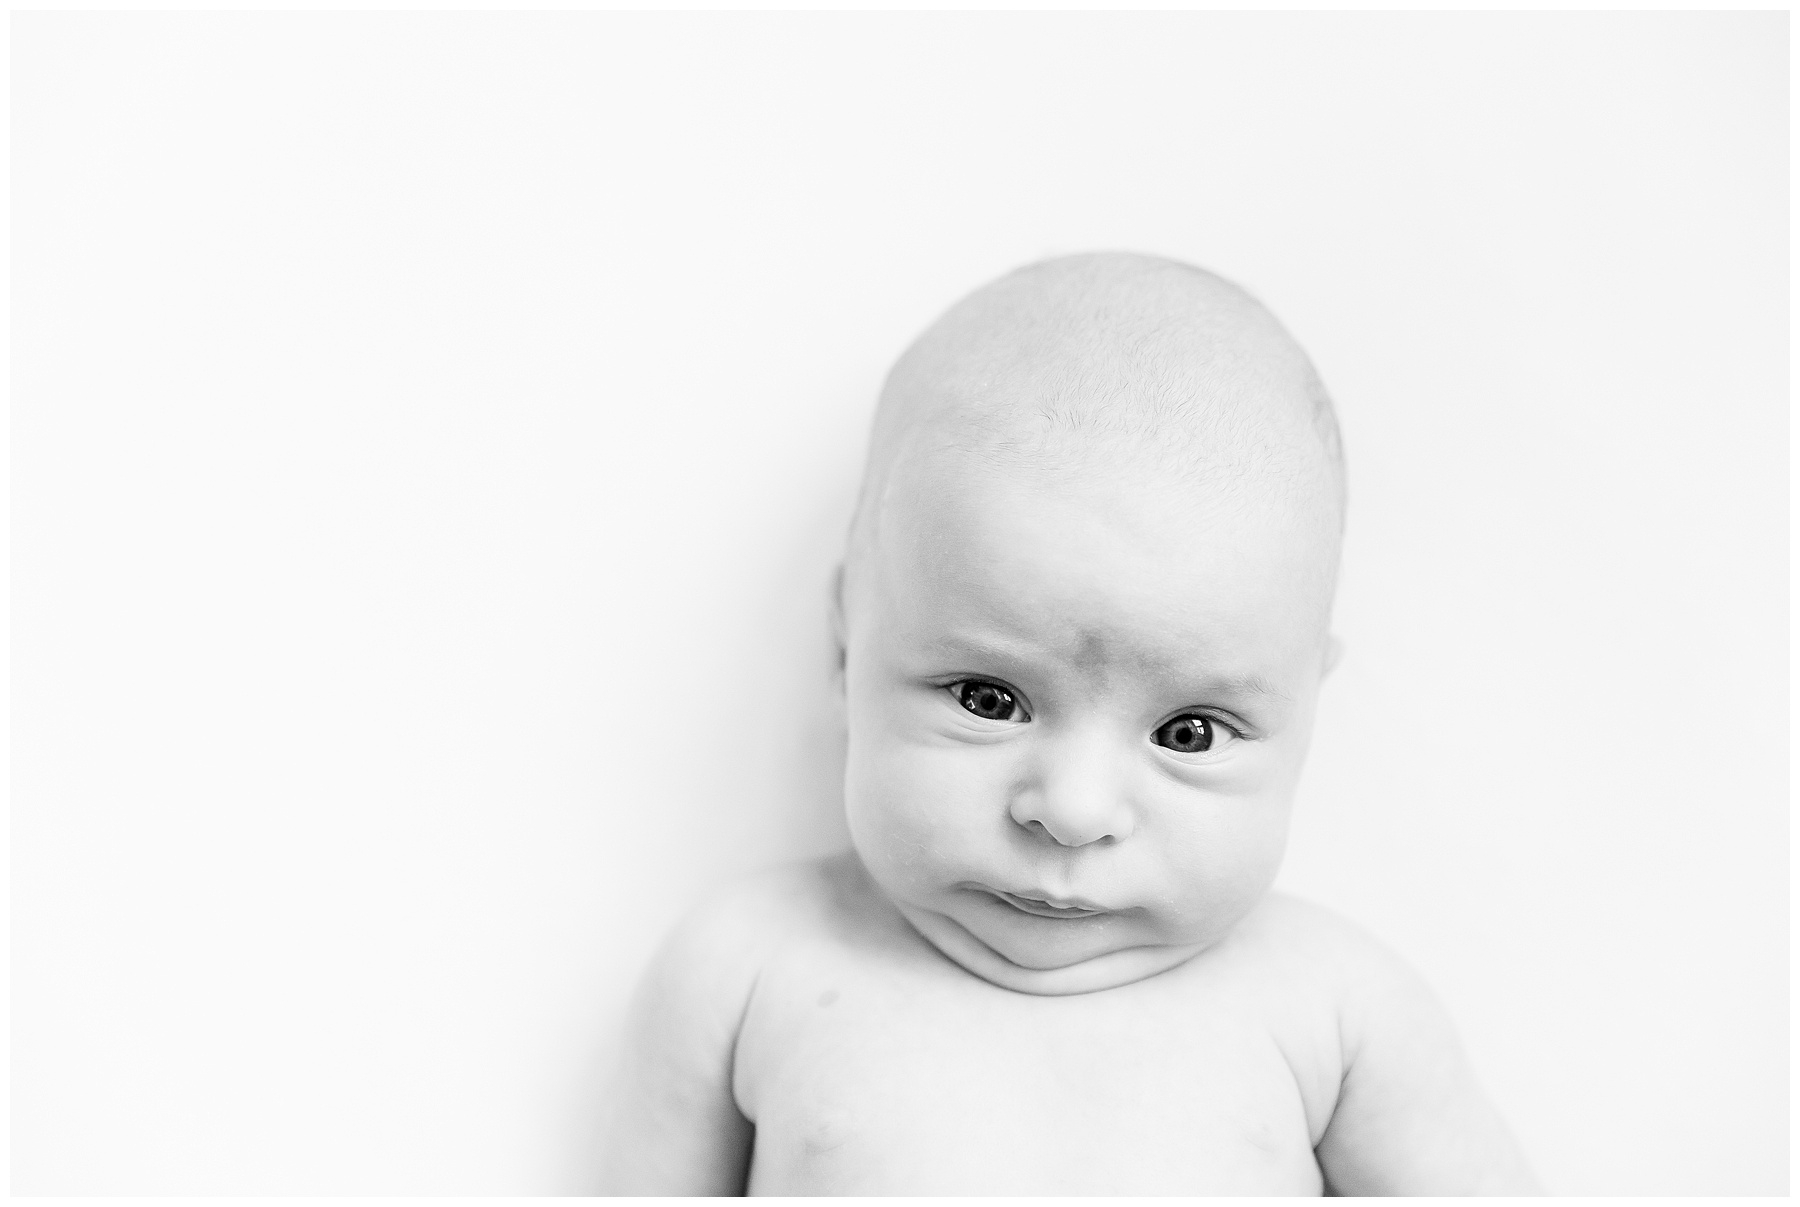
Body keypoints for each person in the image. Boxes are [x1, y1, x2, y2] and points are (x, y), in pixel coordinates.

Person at [597, 252, 1539, 1195]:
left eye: (1189, 732)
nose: (1073, 812)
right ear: (849, 646)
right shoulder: (749, 970)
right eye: (987, 699)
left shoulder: (1338, 1010)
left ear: (1308, 711)